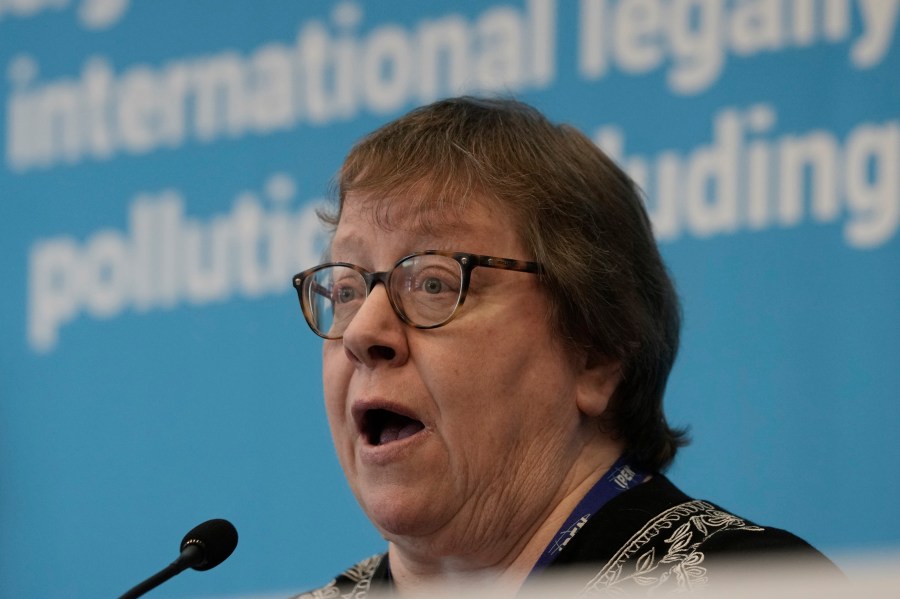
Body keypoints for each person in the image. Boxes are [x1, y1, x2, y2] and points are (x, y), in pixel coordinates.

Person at [290, 97, 837, 597]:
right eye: (346, 290)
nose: (362, 333)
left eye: (434, 283)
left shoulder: (752, 585)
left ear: (595, 352)